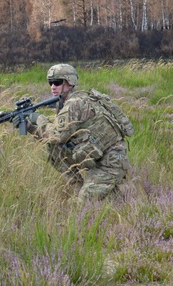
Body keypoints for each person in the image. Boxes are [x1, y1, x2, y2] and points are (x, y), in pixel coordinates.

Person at [23, 64, 133, 203]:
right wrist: (29, 127)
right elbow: (56, 138)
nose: (52, 87)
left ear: (69, 83)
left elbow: (58, 135)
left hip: (110, 163)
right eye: (50, 82)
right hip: (97, 157)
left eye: (57, 82)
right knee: (53, 148)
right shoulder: (70, 102)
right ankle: (80, 187)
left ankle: (106, 193)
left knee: (84, 202)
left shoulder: (74, 104)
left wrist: (39, 119)